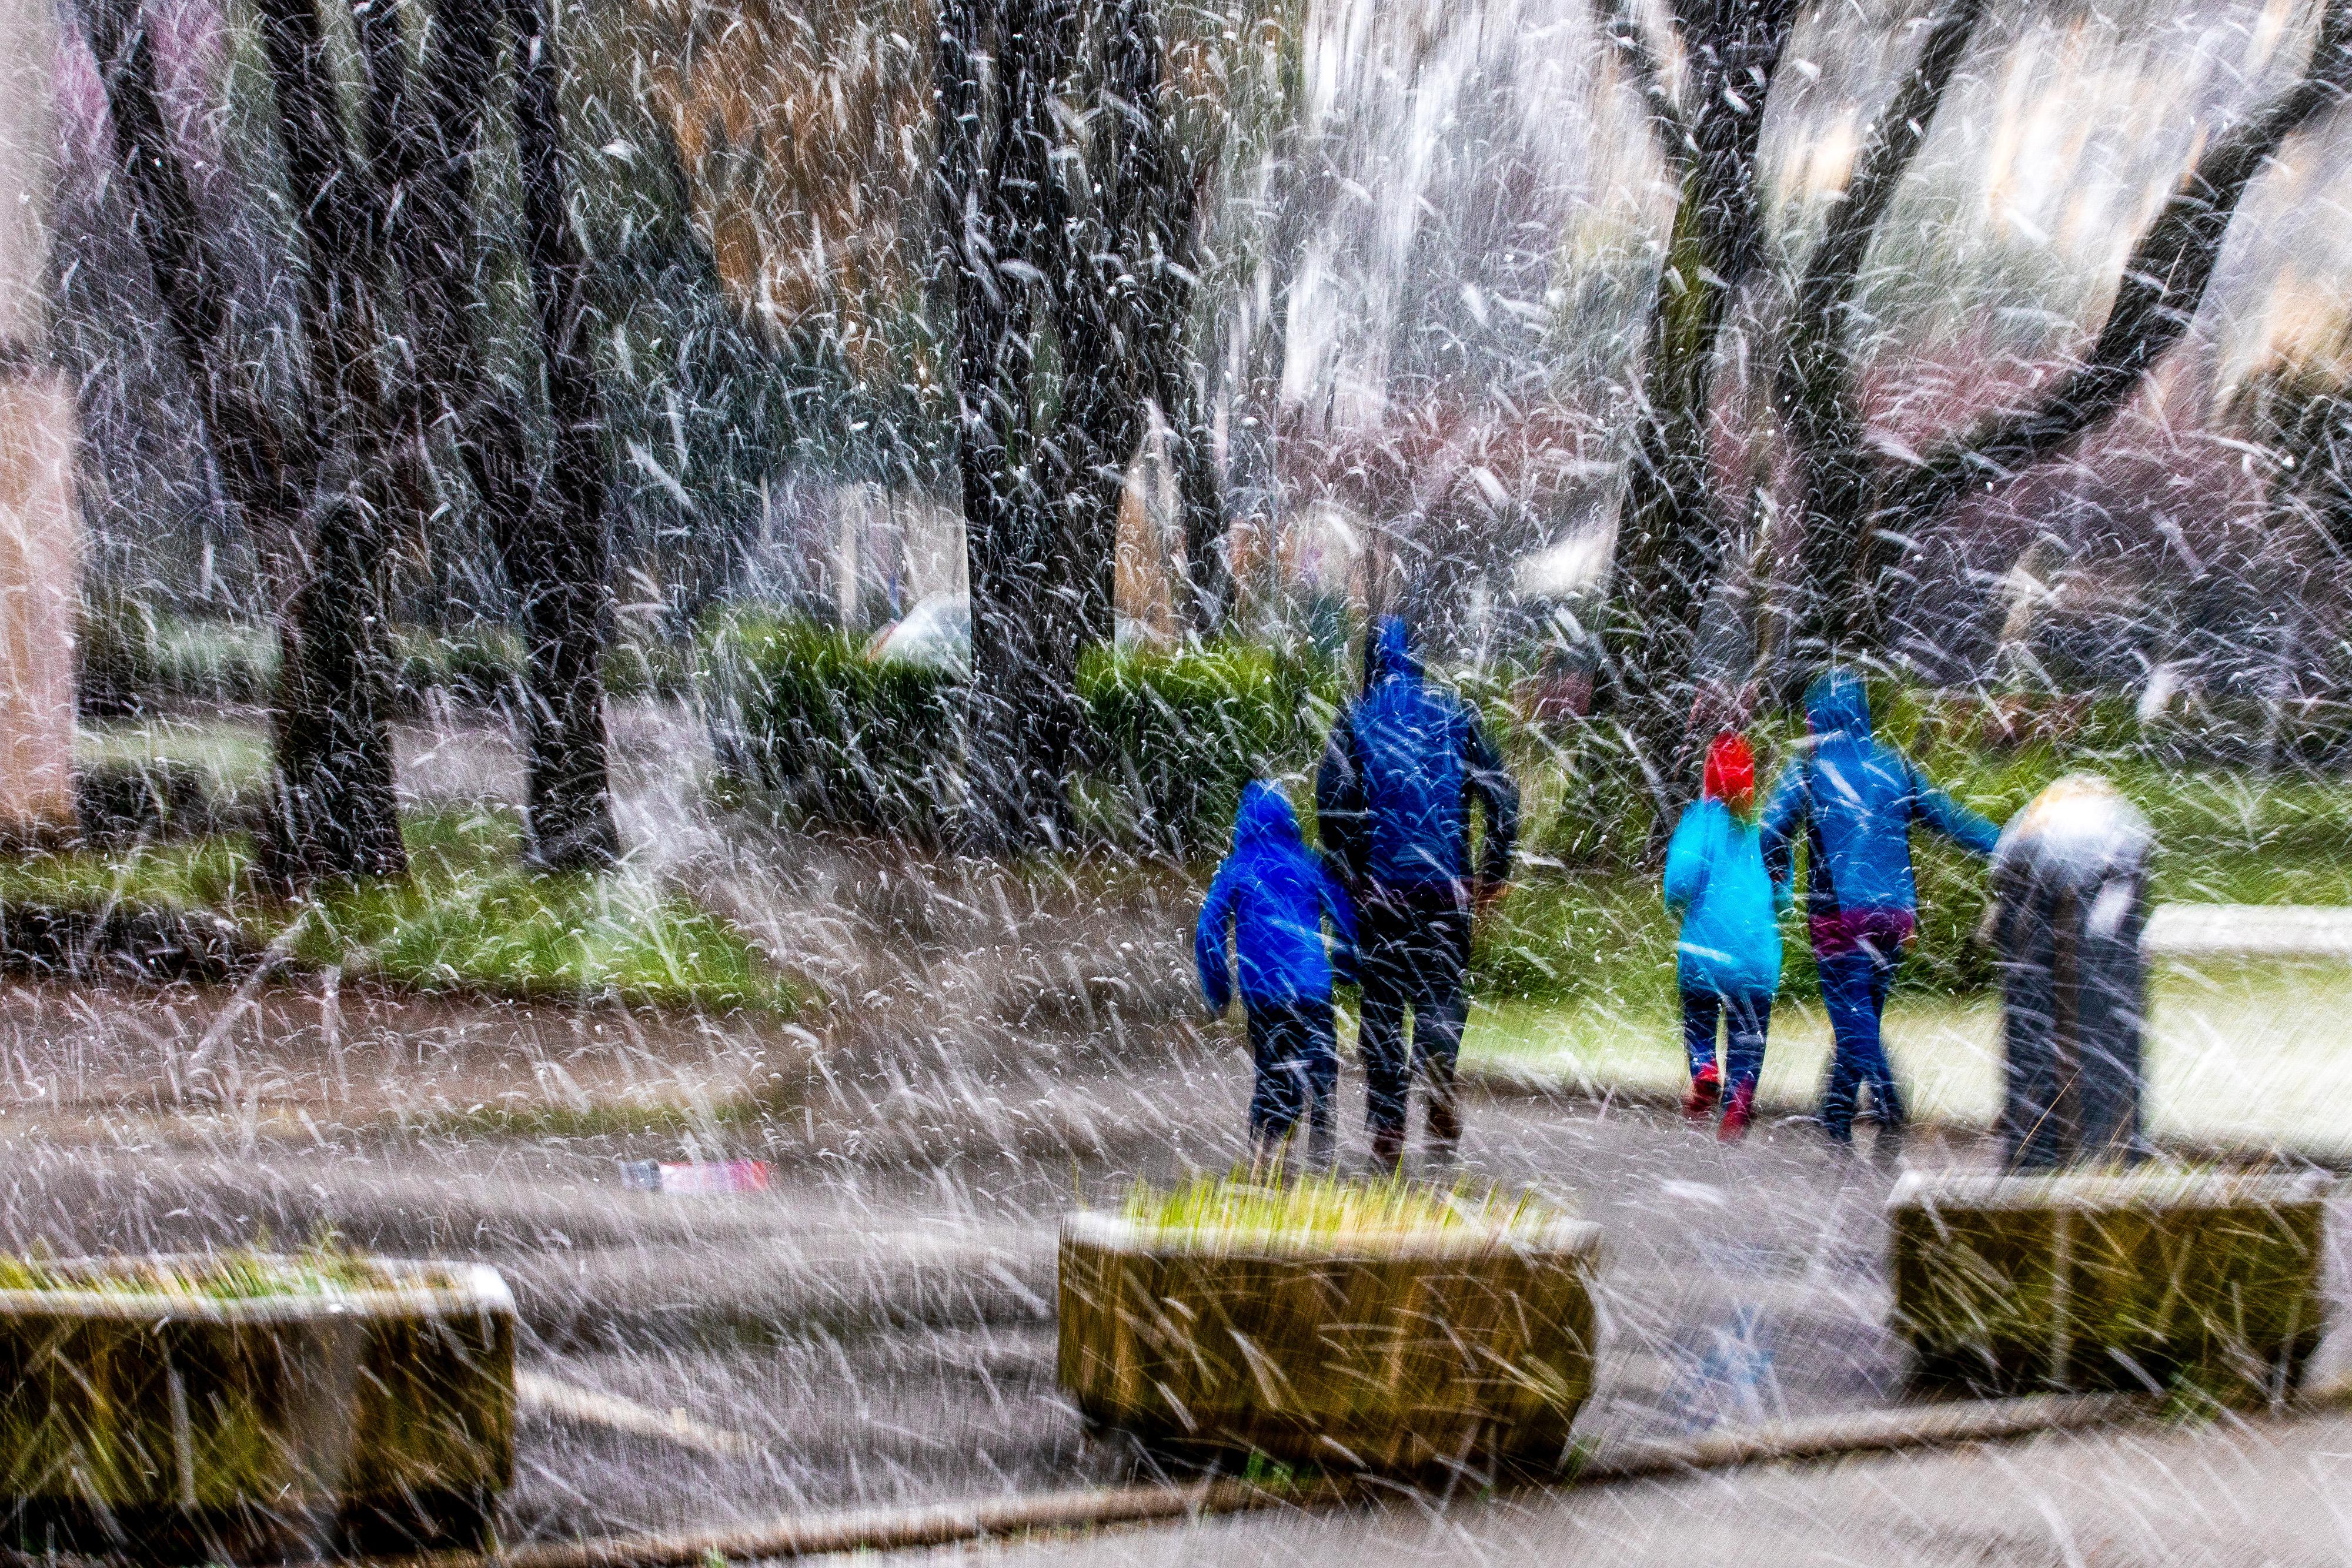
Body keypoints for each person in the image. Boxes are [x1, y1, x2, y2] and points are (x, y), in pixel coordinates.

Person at [1761, 669, 1998, 1151]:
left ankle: (1890, 1101)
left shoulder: (1810, 768)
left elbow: (1770, 831)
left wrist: (1778, 868)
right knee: (1862, 1012)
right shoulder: (1895, 766)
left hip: (1838, 914)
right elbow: (1951, 819)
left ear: (1817, 718)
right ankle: (1834, 1117)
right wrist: (2007, 841)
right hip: (1895, 915)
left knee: (1853, 1016)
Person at [1316, 617, 1519, 1171]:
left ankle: (1386, 1125)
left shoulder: (1354, 719)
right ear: (1420, 665)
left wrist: (1351, 872)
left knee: (1382, 1007)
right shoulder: (1457, 714)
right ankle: (1439, 1068)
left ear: (1370, 666)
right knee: (1441, 992)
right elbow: (1503, 794)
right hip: (1446, 891)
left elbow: (1333, 806)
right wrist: (1494, 869)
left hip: (1382, 896)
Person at [1195, 780, 1359, 1166]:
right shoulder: (1307, 862)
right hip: (1311, 990)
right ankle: (1320, 1153)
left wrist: (1219, 988)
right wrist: (1349, 966)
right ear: (1290, 820)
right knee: (1320, 1067)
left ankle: (1265, 1152)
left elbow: (1208, 930)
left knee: (1273, 1068)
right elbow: (1343, 915)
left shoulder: (1238, 868)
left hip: (1264, 993)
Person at [1663, 731, 1787, 1142]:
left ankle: (1703, 1068)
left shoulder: (1701, 821)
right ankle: (1739, 1095)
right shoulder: (1765, 825)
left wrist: (1674, 903)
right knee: (1749, 1031)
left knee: (1699, 1017)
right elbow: (1783, 892)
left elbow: (1679, 882)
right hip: (1754, 955)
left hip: (1704, 951)